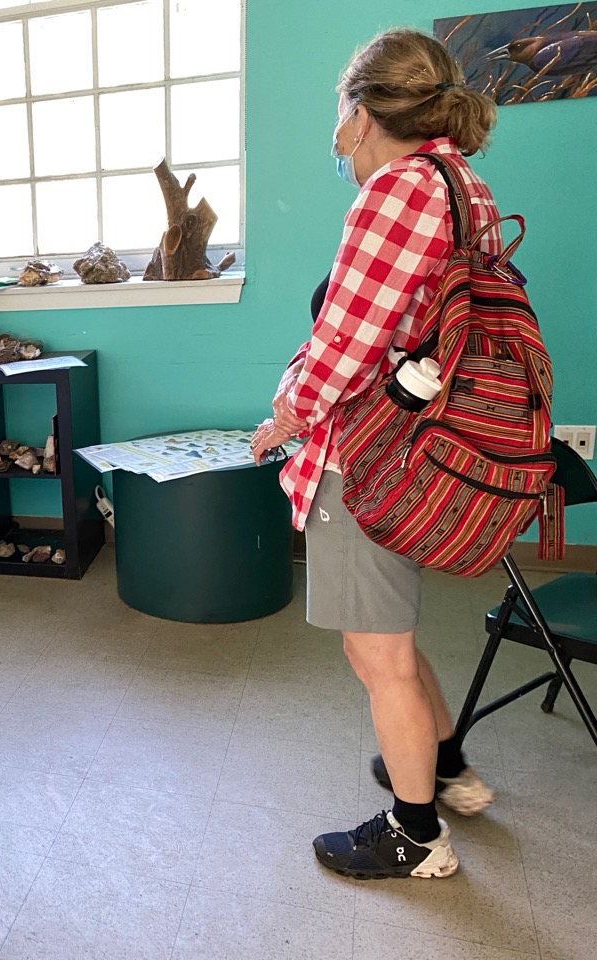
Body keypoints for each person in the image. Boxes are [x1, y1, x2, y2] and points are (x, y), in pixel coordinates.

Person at [251, 28, 501, 880]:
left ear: (361, 114)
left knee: (376, 653)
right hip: (429, 443)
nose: (337, 133)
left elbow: (345, 345)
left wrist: (286, 416)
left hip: (369, 456)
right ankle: (447, 767)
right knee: (391, 634)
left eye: (340, 111)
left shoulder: (396, 190)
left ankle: (416, 834)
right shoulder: (462, 183)